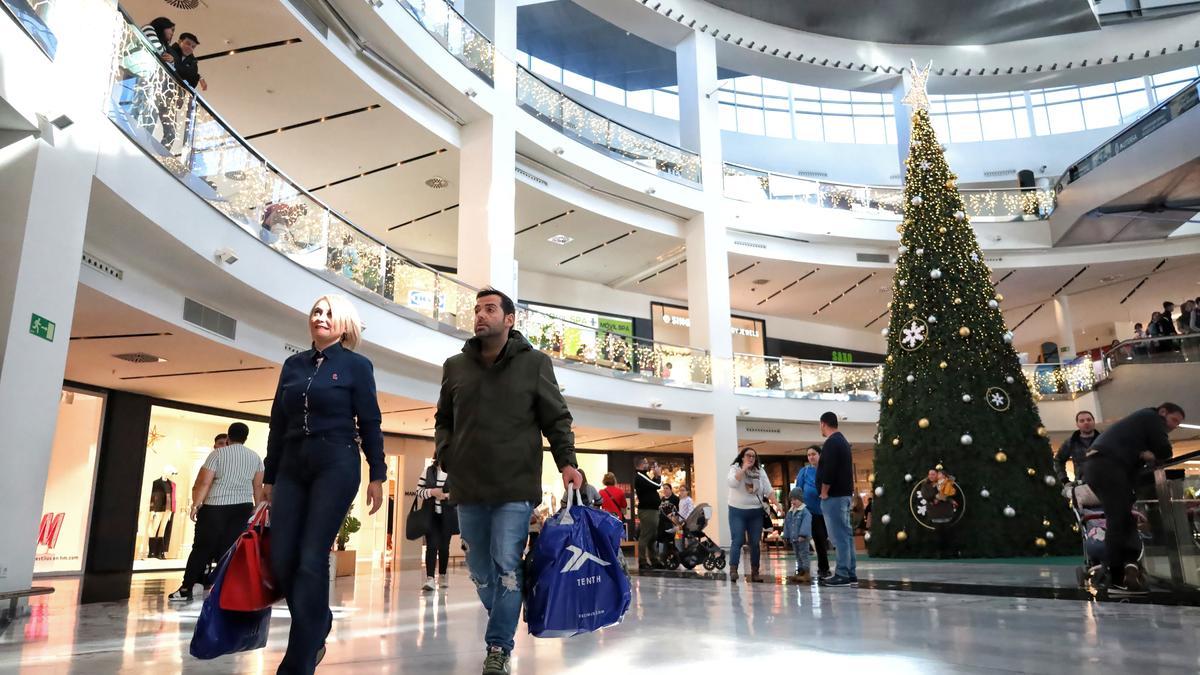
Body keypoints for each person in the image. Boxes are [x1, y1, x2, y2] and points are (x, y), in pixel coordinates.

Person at [434, 288, 581, 675]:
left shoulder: (534, 364)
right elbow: (443, 419)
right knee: (481, 570)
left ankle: (498, 646)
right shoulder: (455, 366)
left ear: (510, 319)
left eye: (490, 309)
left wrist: (567, 462)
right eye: (477, 309)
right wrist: (445, 452)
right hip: (468, 484)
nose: (481, 315)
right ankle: (508, 606)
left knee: (506, 564)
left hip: (515, 486)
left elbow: (556, 418)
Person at [264, 294, 385, 673]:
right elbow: (277, 423)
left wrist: (378, 473)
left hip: (336, 460)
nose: (320, 316)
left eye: (329, 312)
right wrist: (269, 476)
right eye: (316, 310)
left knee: (311, 557)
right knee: (283, 557)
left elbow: (369, 422)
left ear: (345, 324)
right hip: (291, 463)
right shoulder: (293, 365)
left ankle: (299, 659)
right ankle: (319, 622)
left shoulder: (356, 366)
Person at [1084, 402, 1185, 595]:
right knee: (1118, 519)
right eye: (1174, 420)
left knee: (1123, 518)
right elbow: (1165, 450)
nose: (1174, 426)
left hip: (1101, 468)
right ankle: (1116, 577)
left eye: (1178, 424)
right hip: (1108, 468)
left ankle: (1127, 565)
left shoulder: (1138, 423)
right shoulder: (1151, 417)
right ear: (1163, 412)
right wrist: (1153, 454)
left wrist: (1147, 454)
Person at [169, 423, 263, 602]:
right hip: (242, 507)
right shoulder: (255, 457)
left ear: (228, 437)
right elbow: (258, 486)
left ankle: (187, 588)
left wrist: (196, 504)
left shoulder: (217, 454)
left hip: (215, 506)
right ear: (246, 437)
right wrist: (256, 509)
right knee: (229, 549)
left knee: (201, 547)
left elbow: (205, 482)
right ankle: (224, 589)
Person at [817, 412, 857, 587]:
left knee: (839, 536)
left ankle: (842, 573)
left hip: (834, 496)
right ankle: (850, 572)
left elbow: (830, 469)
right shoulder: (843, 441)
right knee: (846, 536)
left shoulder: (832, 443)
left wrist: (824, 490)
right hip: (843, 494)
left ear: (823, 424)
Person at [726, 447, 777, 582]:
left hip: (755, 511)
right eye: (748, 455)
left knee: (755, 542)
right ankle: (733, 570)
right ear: (742, 457)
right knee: (737, 540)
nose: (751, 458)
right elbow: (731, 482)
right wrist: (743, 469)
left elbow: (768, 489)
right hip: (737, 510)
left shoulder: (760, 471)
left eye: (753, 456)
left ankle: (755, 572)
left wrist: (777, 504)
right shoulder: (735, 468)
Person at [415, 457, 454, 591]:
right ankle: (430, 579)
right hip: (430, 515)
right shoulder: (428, 471)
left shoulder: (454, 471)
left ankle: (442, 575)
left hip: (447, 516)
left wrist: (446, 496)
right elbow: (418, 491)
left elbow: (461, 491)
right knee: (431, 546)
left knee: (444, 547)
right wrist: (431, 492)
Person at [161, 32, 205, 148]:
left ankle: (159, 156)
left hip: (173, 99)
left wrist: (175, 64)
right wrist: (186, 73)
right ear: (180, 41)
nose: (190, 48)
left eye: (193, 46)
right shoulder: (169, 49)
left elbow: (193, 81)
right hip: (161, 91)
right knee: (167, 130)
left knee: (171, 133)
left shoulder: (193, 62)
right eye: (188, 44)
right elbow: (189, 75)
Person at [794, 445, 830, 579]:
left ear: (820, 455)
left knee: (821, 540)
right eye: (808, 455)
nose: (811, 457)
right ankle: (802, 568)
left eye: (813, 454)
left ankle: (823, 568)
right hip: (807, 512)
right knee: (802, 541)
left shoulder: (825, 470)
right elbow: (798, 491)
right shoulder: (804, 471)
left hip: (823, 511)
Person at [634, 457, 663, 570]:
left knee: (652, 536)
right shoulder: (640, 476)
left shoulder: (644, 476)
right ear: (640, 465)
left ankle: (654, 559)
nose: (648, 465)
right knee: (645, 536)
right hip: (647, 511)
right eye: (646, 463)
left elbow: (652, 485)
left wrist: (655, 477)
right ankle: (642, 561)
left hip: (652, 510)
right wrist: (658, 475)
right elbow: (657, 485)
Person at [1054, 410, 1098, 484]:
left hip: (1103, 485)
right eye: (1082, 421)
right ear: (1077, 424)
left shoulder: (1103, 440)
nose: (1086, 422)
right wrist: (1064, 480)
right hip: (1081, 486)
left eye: (1089, 420)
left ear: (1094, 422)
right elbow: (1058, 460)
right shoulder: (1070, 442)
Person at [783, 488, 813, 584]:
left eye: (795, 499)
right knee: (797, 555)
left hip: (802, 539)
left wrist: (803, 534)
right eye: (791, 500)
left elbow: (806, 524)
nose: (793, 502)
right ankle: (800, 571)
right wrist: (786, 535)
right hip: (794, 539)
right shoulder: (790, 512)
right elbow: (787, 524)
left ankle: (806, 572)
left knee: (804, 554)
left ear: (801, 499)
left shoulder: (805, 512)